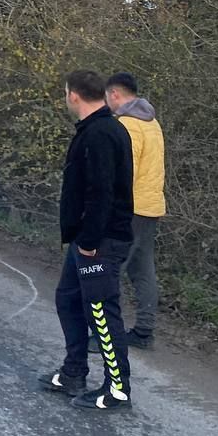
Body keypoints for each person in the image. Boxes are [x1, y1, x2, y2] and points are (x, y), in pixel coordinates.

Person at [39, 70, 136, 412]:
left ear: (74, 96)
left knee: (100, 311)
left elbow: (102, 192)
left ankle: (118, 389)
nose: (66, 98)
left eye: (66, 93)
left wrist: (90, 242)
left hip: (100, 240)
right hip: (86, 237)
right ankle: (73, 373)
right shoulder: (97, 129)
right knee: (68, 299)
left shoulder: (100, 134)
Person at [103, 71, 166, 349]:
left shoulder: (128, 125)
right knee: (143, 270)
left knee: (110, 270)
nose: (107, 104)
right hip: (151, 207)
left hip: (130, 209)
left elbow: (124, 173)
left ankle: (106, 335)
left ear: (115, 94)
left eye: (107, 97)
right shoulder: (152, 122)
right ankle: (144, 331)